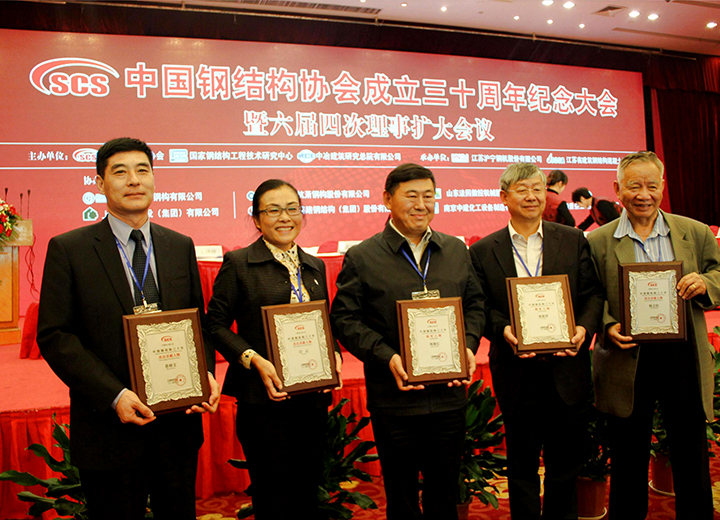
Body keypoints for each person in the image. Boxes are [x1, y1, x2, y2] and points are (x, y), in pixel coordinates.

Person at [36, 137, 220, 520]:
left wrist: (203, 373)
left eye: (143, 170)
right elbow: (56, 336)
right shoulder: (70, 249)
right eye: (120, 172)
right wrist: (115, 395)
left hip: (176, 427)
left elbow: (196, 323)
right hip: (109, 428)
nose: (134, 180)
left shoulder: (179, 245)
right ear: (100, 183)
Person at [330, 163, 485, 520]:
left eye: (428, 196)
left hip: (448, 397)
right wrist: (387, 357)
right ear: (387, 199)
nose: (421, 204)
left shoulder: (455, 250)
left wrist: (467, 345)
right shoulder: (363, 256)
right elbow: (345, 319)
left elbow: (475, 305)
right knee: (401, 497)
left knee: (444, 493)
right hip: (394, 399)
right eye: (411, 196)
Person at [588, 151, 720, 520]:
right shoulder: (598, 241)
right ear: (617, 189)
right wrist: (607, 324)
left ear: (663, 186)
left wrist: (705, 283)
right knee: (628, 454)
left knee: (690, 451)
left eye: (651, 185)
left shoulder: (694, 232)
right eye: (634, 186)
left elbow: (718, 273)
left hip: (684, 355)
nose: (643, 194)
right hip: (627, 356)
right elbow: (588, 294)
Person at [469, 162, 603, 520]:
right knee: (521, 466)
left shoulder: (572, 239)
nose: (531, 196)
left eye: (538, 189)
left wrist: (583, 330)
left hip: (567, 368)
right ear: (504, 197)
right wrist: (503, 331)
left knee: (565, 466)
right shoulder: (483, 250)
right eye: (522, 189)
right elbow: (480, 306)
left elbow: (592, 294)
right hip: (516, 372)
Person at [205, 179, 342, 519]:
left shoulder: (314, 265)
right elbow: (215, 324)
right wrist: (252, 359)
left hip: (311, 401)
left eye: (292, 209)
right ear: (256, 219)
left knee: (307, 492)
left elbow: (323, 322)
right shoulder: (239, 263)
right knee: (273, 497)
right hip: (263, 402)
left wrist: (335, 354)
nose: (285, 217)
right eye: (273, 210)